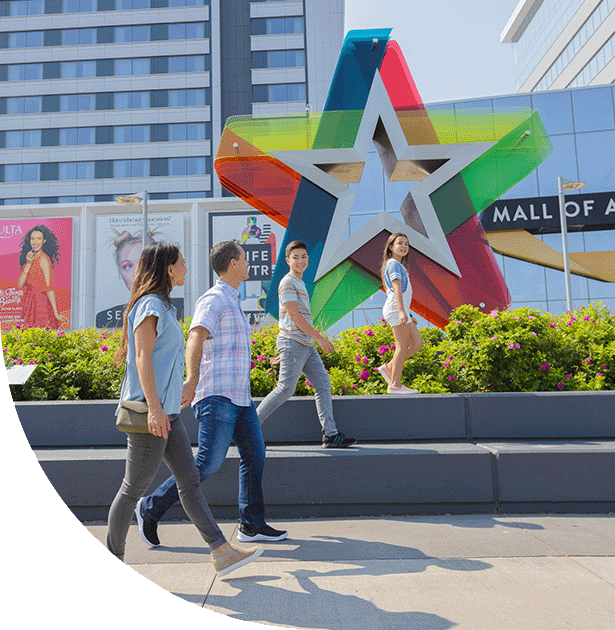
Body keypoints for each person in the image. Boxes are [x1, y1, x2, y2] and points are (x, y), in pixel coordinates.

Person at [106, 241, 263, 577]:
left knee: (189, 480)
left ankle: (221, 551)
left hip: (167, 413)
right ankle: (112, 562)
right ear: (168, 268)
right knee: (132, 488)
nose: (186, 268)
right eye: (181, 262)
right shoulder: (149, 305)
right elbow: (142, 357)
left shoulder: (162, 306)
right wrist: (154, 409)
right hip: (152, 414)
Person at [136, 240, 288, 546]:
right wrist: (192, 379)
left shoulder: (234, 302)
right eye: (244, 260)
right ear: (233, 263)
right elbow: (196, 337)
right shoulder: (214, 299)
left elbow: (229, 348)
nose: (247, 265)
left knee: (255, 456)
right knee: (208, 462)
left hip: (240, 398)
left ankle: (251, 525)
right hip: (216, 394)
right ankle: (149, 507)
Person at [256, 240, 356, 448]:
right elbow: (294, 316)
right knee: (284, 389)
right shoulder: (287, 283)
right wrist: (319, 338)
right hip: (295, 341)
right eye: (296, 257)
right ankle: (250, 429)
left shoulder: (299, 283)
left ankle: (330, 434)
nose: (300, 261)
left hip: (303, 344)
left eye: (303, 257)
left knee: (322, 384)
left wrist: (308, 342)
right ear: (287, 260)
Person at [376, 232, 423, 394]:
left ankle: (389, 367)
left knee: (417, 344)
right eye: (400, 243)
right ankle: (395, 385)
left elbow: (403, 292)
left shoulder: (398, 265)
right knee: (402, 346)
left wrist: (408, 314)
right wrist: (402, 312)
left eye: (406, 244)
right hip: (396, 309)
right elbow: (396, 289)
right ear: (391, 247)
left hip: (401, 309)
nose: (403, 247)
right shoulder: (393, 264)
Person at [17, 224, 69, 329]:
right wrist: (28, 263)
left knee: (41, 332)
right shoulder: (29, 258)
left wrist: (56, 313)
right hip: (28, 302)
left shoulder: (44, 259)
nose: (35, 242)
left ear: (44, 241)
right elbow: (20, 284)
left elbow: (49, 288)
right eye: (32, 238)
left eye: (39, 238)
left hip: (41, 302)